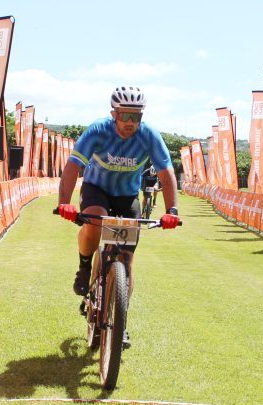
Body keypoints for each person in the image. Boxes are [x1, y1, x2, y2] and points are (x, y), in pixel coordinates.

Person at [57, 86, 180, 348]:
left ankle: (120, 323)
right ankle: (84, 266)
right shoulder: (98, 130)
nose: (130, 123)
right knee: (95, 223)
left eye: (136, 117)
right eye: (125, 116)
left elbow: (166, 174)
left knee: (127, 261)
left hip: (126, 197)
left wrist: (172, 211)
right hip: (96, 190)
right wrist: (64, 203)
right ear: (114, 113)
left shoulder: (149, 135)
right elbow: (72, 166)